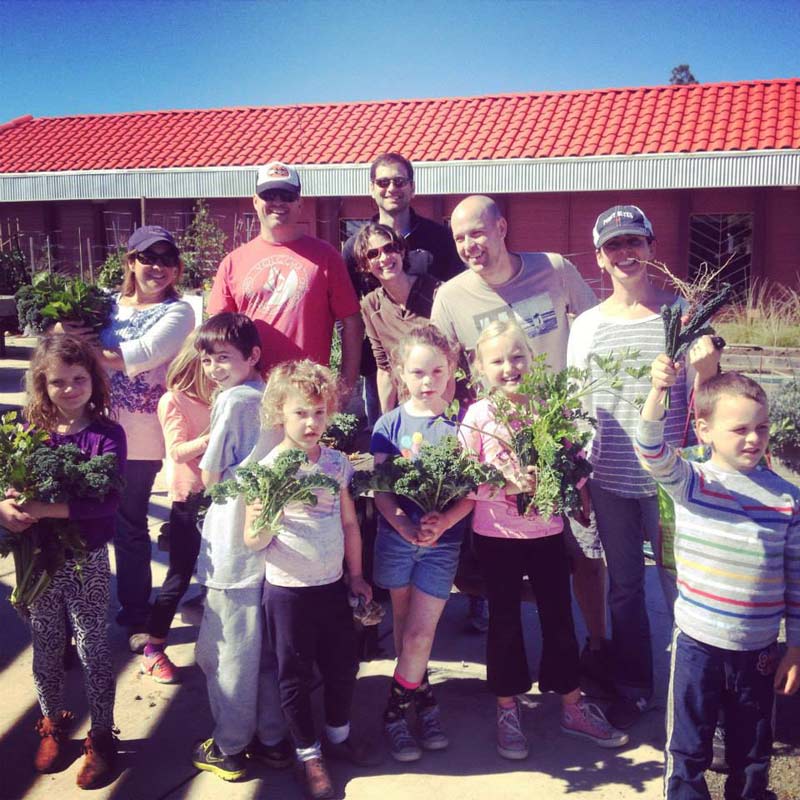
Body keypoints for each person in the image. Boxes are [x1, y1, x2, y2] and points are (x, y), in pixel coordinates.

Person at [431, 195, 607, 652]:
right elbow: (440, 371)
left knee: (585, 549)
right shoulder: (450, 297)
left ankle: (598, 644)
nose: (470, 244)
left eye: (478, 232)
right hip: (503, 447)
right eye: (460, 237)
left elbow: (595, 331)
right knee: (506, 554)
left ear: (502, 228)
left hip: (567, 436)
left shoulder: (553, 268)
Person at [459, 321, 628, 760]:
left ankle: (571, 703)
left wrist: (580, 494)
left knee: (558, 617)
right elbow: (464, 479)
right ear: (480, 367)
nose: (509, 367)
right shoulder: (478, 416)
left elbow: (573, 461)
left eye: (517, 357)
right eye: (497, 360)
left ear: (531, 361)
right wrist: (507, 486)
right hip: (496, 536)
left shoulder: (549, 408)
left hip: (549, 532)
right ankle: (507, 706)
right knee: (504, 620)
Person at [637, 355, 800, 800]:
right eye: (739, 429)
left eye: (761, 428)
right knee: (688, 749)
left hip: (759, 651)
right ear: (704, 430)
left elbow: (797, 579)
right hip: (697, 646)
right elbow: (650, 448)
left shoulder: (788, 499)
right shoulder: (692, 482)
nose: (753, 439)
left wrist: (796, 647)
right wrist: (658, 391)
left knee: (752, 754)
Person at [566, 205, 695, 724]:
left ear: (652, 249)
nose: (626, 254)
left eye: (634, 243)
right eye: (614, 246)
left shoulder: (679, 313)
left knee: (679, 584)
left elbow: (704, 391)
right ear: (599, 258)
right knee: (623, 587)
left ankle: (689, 690)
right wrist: (577, 471)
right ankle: (634, 683)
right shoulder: (589, 326)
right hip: (610, 481)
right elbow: (577, 403)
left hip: (672, 484)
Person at [244, 360, 377, 800]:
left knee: (343, 664)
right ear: (279, 412)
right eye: (301, 412)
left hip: (332, 588)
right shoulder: (267, 468)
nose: (311, 422)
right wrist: (274, 505)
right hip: (288, 592)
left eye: (319, 413)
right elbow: (253, 539)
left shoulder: (337, 464)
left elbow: (351, 525)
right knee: (294, 675)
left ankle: (338, 736)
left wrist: (356, 576)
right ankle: (308, 754)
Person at [59, 225, 195, 649]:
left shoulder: (180, 312)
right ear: (130, 262)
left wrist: (84, 348)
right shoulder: (106, 305)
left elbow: (139, 358)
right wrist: (63, 331)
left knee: (129, 524)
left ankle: (136, 615)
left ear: (176, 268)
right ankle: (72, 616)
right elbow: (60, 352)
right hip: (87, 429)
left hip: (140, 438)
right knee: (77, 522)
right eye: (146, 258)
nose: (157, 267)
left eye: (166, 260)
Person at [0, 336, 126, 788]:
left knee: (93, 646)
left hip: (85, 558)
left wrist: (42, 509)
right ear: (42, 384)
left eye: (79, 379)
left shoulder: (107, 433)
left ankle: (101, 734)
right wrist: (5, 506)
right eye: (58, 382)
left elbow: (107, 502)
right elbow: (7, 482)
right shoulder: (28, 430)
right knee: (46, 645)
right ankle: (52, 723)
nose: (70, 389)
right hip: (37, 560)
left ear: (94, 380)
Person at [191, 312, 289, 782]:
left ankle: (229, 746)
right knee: (263, 647)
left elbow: (211, 476)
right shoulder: (271, 395)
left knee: (228, 649)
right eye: (207, 359)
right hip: (268, 534)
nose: (213, 367)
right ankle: (272, 738)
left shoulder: (232, 401)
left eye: (223, 357)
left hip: (232, 537)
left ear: (252, 356)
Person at [370, 325, 470, 762]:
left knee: (419, 635)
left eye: (436, 371)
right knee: (406, 633)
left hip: (441, 545)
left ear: (450, 372)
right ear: (400, 376)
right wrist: (404, 527)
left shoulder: (460, 426)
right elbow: (379, 488)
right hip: (397, 541)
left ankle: (394, 715)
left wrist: (443, 521)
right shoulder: (388, 425)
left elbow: (472, 493)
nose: (427, 381)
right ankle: (423, 700)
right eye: (417, 372)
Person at [206, 161, 363, 392]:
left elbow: (352, 323)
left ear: (299, 203)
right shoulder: (232, 262)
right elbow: (214, 335)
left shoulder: (326, 257)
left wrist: (345, 386)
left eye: (286, 196)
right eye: (270, 195)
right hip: (248, 390)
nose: (278, 202)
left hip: (306, 393)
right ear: (255, 201)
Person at [342, 152, 462, 426]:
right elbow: (348, 316)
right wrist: (352, 372)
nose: (392, 189)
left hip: (436, 370)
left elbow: (458, 299)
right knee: (389, 440)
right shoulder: (353, 248)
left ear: (412, 187)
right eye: (383, 182)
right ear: (372, 189)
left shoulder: (440, 238)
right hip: (383, 371)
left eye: (399, 181)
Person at [138, 333, 213, 683]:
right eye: (211, 362)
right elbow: (178, 450)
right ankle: (153, 648)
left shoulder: (225, 396)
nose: (217, 369)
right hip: (190, 498)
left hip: (223, 496)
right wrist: (216, 436)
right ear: (195, 361)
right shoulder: (174, 400)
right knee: (178, 576)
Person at [354, 223, 441, 414]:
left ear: (401, 251)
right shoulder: (371, 306)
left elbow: (452, 359)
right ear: (364, 266)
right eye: (373, 254)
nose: (384, 258)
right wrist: (387, 422)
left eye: (389, 248)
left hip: (444, 406)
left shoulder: (436, 293)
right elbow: (385, 368)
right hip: (409, 408)